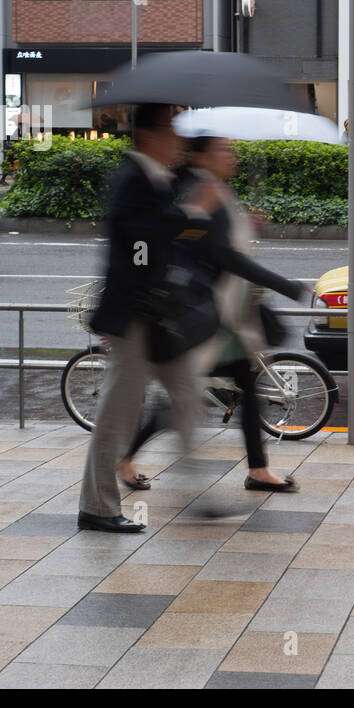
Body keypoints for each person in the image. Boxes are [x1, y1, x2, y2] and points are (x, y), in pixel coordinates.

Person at [119, 135, 308, 492]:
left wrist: (247, 226)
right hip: (209, 317)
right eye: (223, 149)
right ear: (202, 157)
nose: (231, 155)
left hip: (227, 316)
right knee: (187, 394)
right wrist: (289, 286)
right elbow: (226, 257)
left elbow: (219, 247)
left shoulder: (216, 191)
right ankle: (127, 458)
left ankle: (258, 469)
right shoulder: (203, 194)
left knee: (239, 387)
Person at [78, 103, 223, 532]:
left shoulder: (155, 177)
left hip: (157, 316)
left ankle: (199, 497)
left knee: (185, 397)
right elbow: (141, 241)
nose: (177, 138)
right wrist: (193, 212)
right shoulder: (132, 179)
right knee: (118, 413)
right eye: (171, 129)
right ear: (149, 134)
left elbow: (159, 237)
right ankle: (97, 507)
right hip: (134, 318)